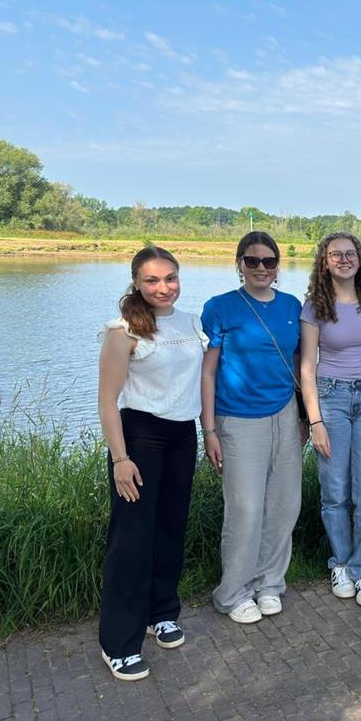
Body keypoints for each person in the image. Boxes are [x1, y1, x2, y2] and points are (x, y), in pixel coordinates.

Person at [97, 247, 206, 681]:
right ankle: (118, 643)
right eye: (153, 281)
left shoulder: (188, 322)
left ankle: (161, 612)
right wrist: (120, 459)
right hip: (140, 437)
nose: (164, 288)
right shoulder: (122, 330)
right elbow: (107, 402)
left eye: (171, 278)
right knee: (131, 540)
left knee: (170, 528)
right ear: (137, 284)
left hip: (183, 435)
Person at [202, 231, 304, 625]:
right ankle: (234, 592)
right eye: (252, 261)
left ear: (278, 267)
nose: (261, 268)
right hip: (237, 419)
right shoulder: (220, 308)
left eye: (269, 261)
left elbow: (299, 368)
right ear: (239, 264)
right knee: (245, 509)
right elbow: (208, 372)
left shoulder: (292, 306)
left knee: (283, 505)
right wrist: (209, 429)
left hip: (284, 413)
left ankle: (270, 583)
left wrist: (303, 418)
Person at [299, 232, 361, 608]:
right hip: (331, 398)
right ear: (324, 262)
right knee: (335, 490)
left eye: (350, 254)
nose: (344, 259)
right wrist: (316, 421)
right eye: (335, 254)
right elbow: (307, 368)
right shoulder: (315, 307)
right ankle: (340, 563)